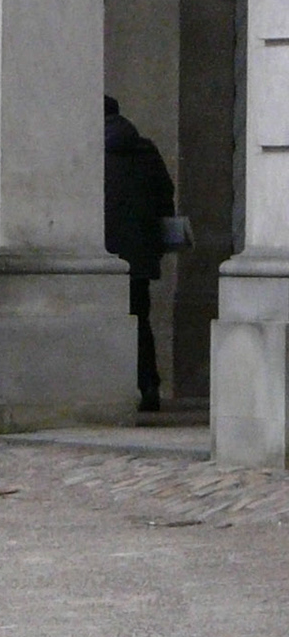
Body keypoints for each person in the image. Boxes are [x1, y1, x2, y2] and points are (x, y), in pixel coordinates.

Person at [102, 95, 177, 412]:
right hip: (140, 255)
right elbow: (166, 196)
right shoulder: (146, 150)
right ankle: (148, 386)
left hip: (103, 253)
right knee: (140, 320)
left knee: (103, 322)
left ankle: (111, 389)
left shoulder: (92, 153)